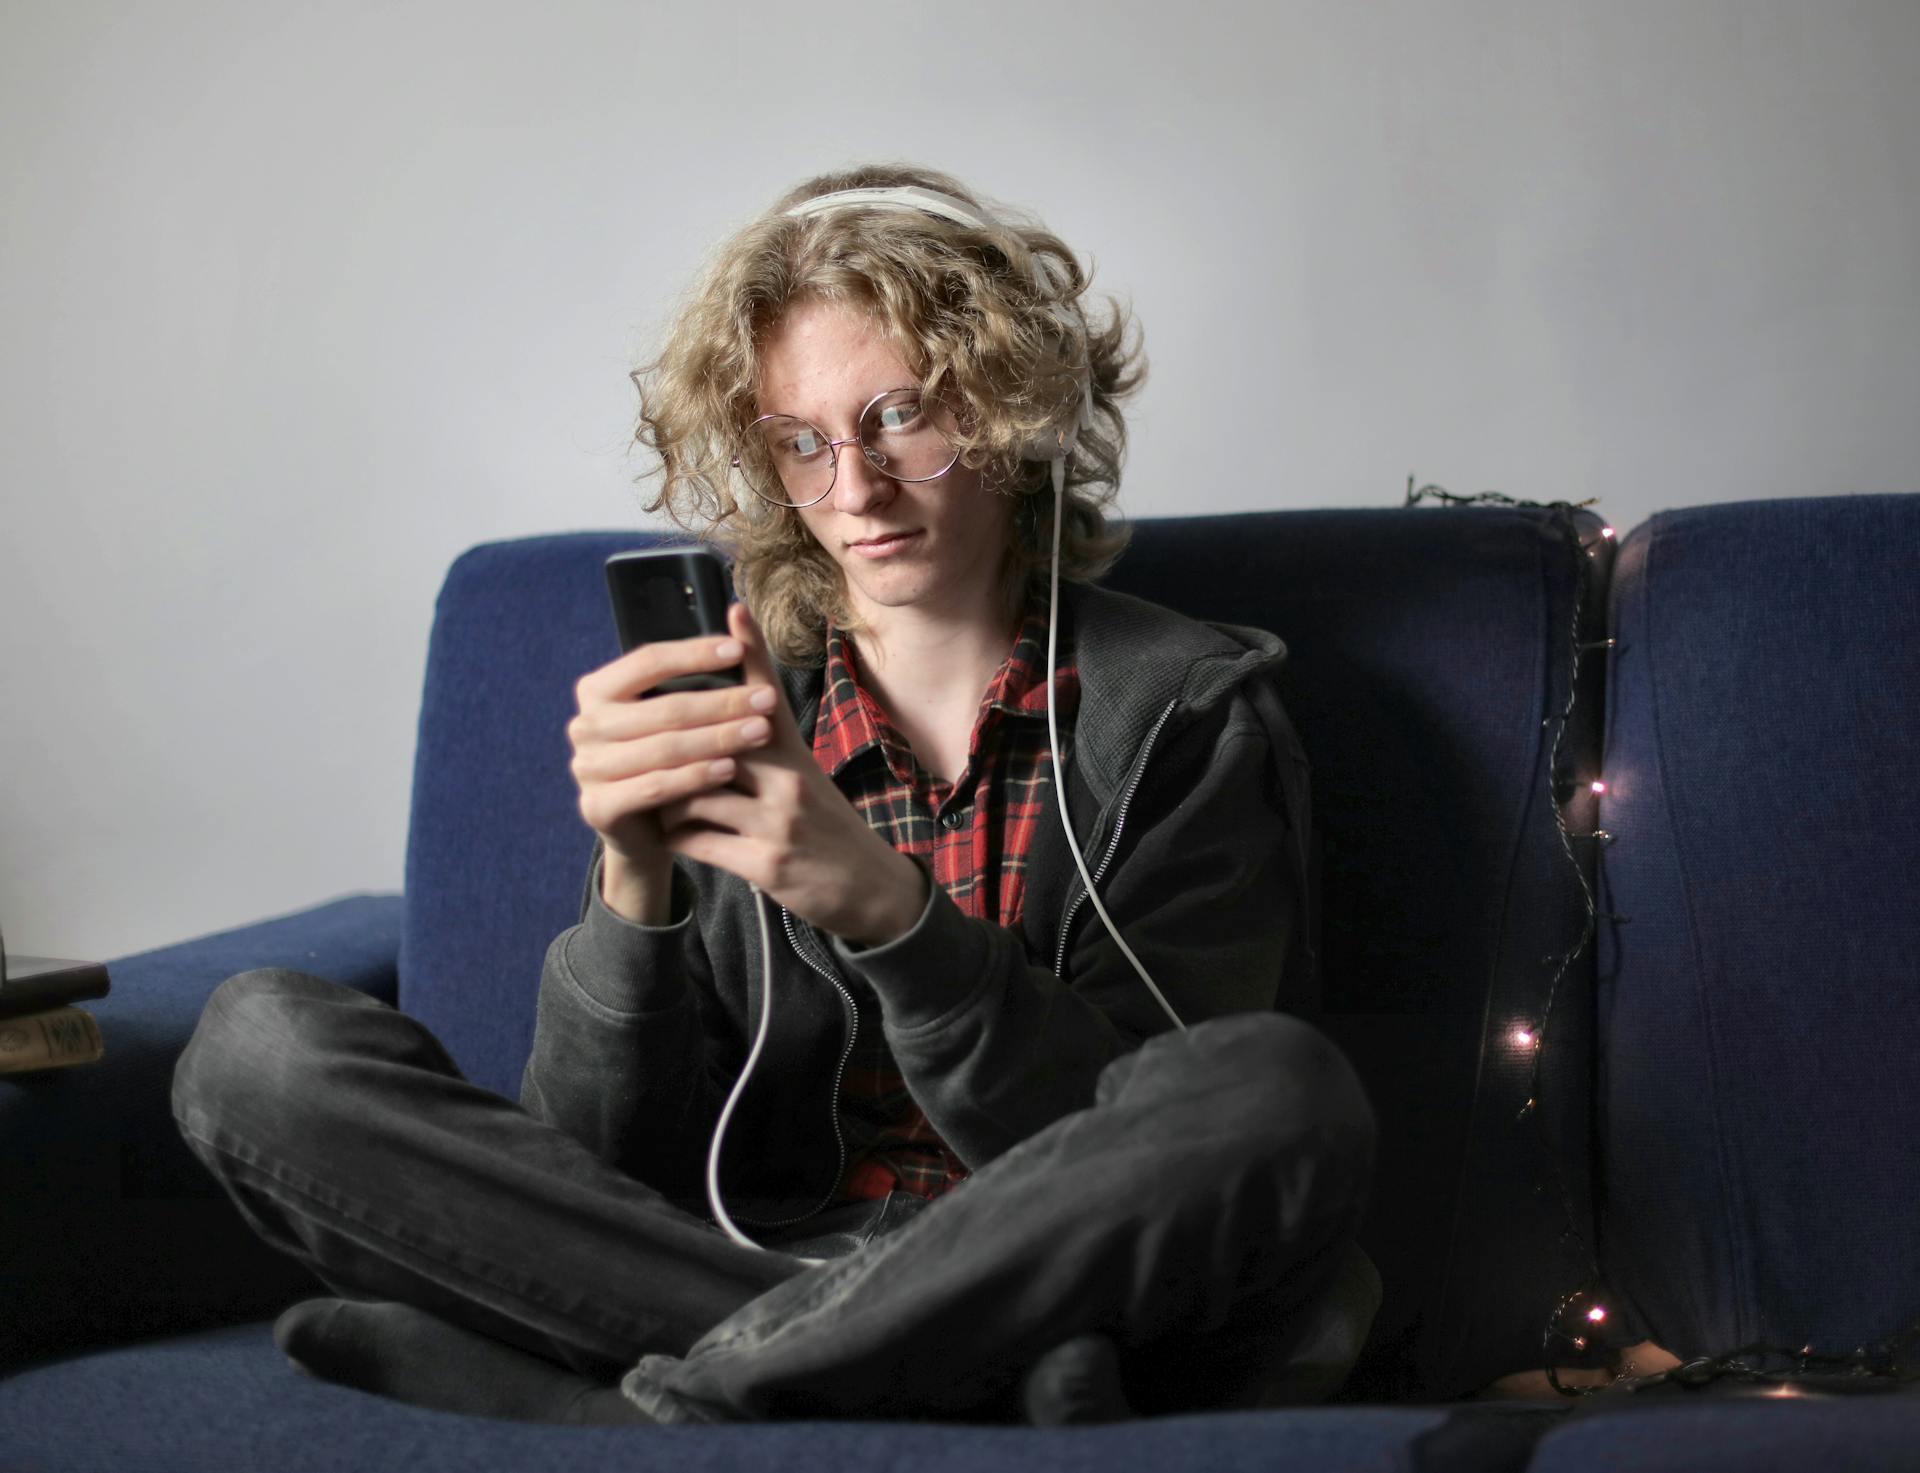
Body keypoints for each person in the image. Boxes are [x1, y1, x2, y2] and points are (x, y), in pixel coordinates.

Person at [170, 162, 1380, 1426]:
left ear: (1019, 413)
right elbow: (592, 1170)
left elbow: (1153, 1143)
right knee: (254, 1048)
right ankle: (902, 1381)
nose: (855, 491)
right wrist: (631, 893)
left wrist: (886, 913)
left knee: (1275, 1087)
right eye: (801, 443)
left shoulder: (1184, 714)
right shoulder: (740, 709)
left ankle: (624, 1406)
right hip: (766, 1256)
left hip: (1060, 1273)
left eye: (903, 415)